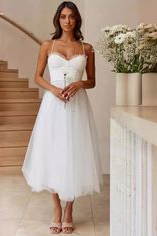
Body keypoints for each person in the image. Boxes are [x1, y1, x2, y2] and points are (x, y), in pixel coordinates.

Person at [22, 1, 102, 234]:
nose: (67, 21)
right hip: (53, 106)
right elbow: (37, 76)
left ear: (77, 20)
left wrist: (80, 83)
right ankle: (57, 209)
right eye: (63, 16)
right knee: (53, 154)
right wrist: (54, 89)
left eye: (72, 17)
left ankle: (69, 211)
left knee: (74, 155)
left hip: (77, 106)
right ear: (58, 19)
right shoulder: (48, 45)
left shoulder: (87, 48)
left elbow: (93, 81)